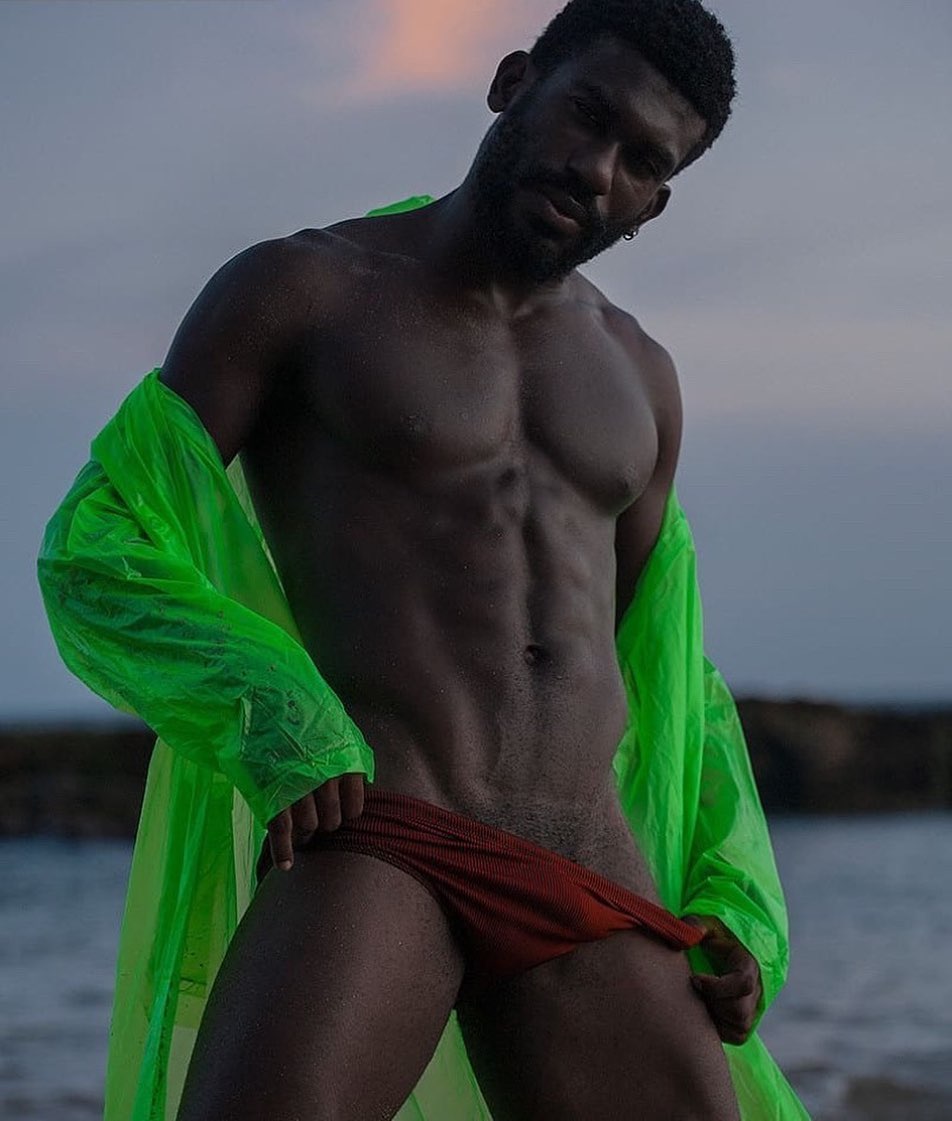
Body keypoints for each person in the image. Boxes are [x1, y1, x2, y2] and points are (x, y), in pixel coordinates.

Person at [38, 1, 810, 1119]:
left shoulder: (641, 377)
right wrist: (276, 711)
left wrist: (732, 890)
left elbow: (669, 670)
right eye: (587, 115)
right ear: (513, 82)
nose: (598, 170)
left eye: (644, 163)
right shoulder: (300, 291)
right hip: (391, 834)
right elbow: (100, 539)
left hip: (587, 859)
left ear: (656, 204)